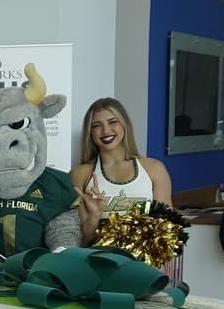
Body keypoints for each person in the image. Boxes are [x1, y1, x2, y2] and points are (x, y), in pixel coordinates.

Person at [72, 98, 173, 244]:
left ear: (124, 124)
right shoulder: (80, 175)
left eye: (113, 122)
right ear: (90, 133)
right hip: (99, 261)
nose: (106, 130)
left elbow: (168, 229)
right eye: (96, 125)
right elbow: (83, 240)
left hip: (143, 264)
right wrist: (95, 214)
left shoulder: (154, 169)